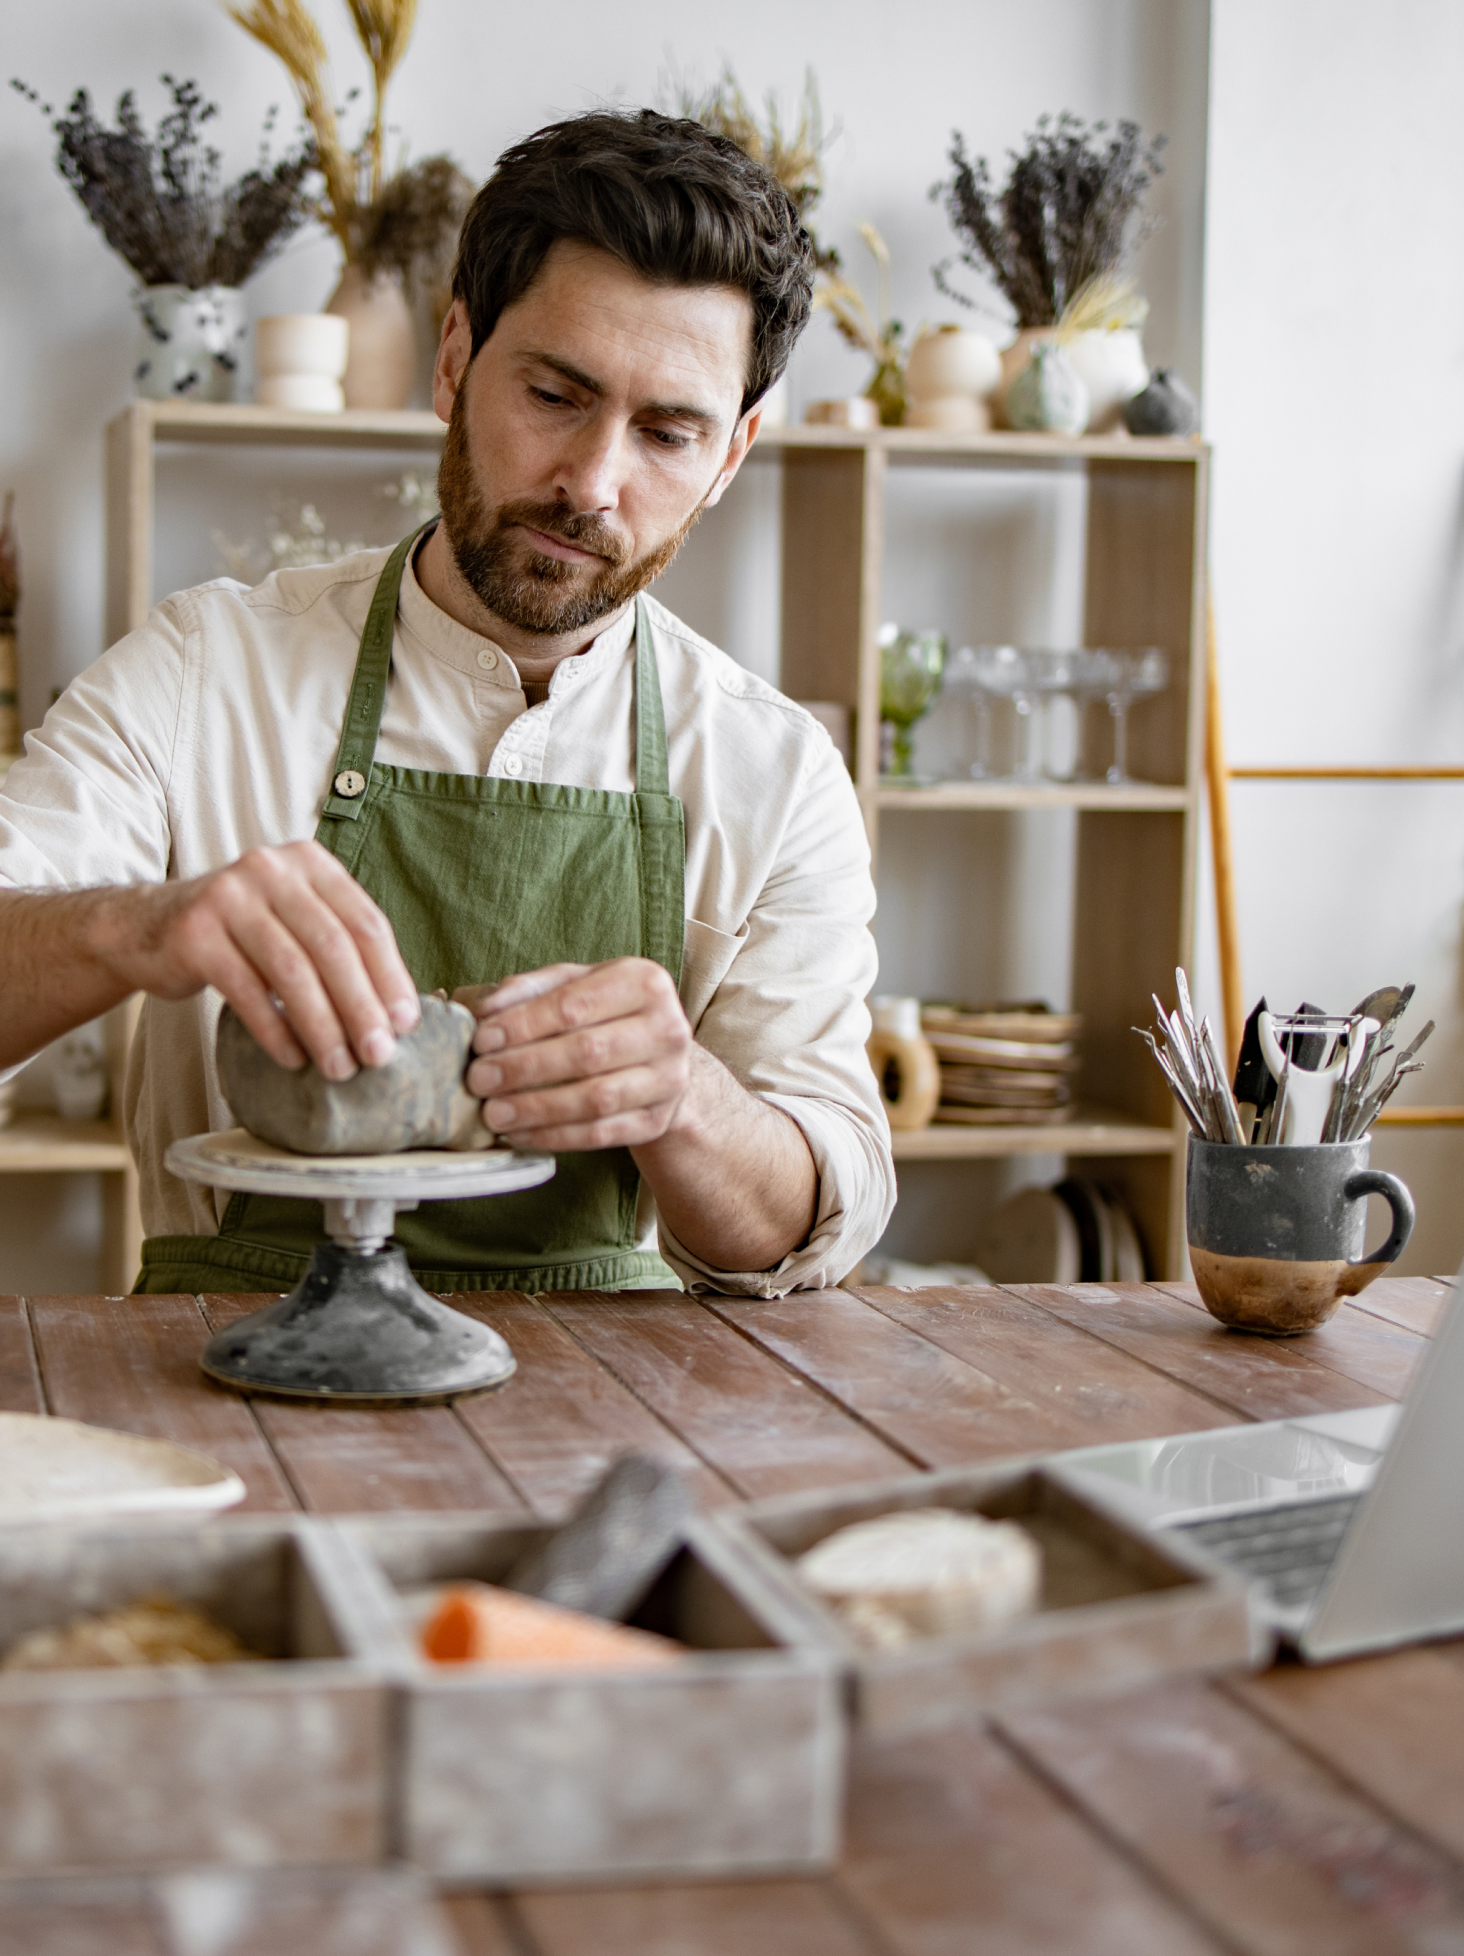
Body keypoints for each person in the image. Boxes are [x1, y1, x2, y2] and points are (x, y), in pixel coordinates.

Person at [0, 109, 894, 1297]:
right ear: (454, 358)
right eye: (556, 394)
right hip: (231, 1390)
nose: (593, 483)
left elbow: (809, 1217)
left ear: (731, 456)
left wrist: (684, 1097)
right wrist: (134, 927)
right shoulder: (207, 668)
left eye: (668, 433)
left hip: (606, 1425)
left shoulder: (771, 770)